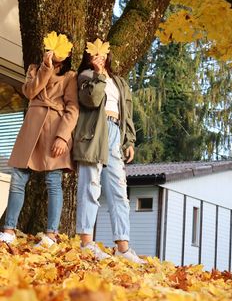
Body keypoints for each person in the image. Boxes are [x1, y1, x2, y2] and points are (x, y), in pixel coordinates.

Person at [0, 39, 79, 247]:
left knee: (53, 182)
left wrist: (63, 136)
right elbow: (29, 92)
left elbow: (72, 108)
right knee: (17, 178)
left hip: (54, 130)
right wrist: (46, 67)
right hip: (31, 128)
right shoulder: (35, 69)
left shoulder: (70, 77)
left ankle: (51, 234)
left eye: (62, 49)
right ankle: (8, 230)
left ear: (69, 54)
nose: (56, 52)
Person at [73, 39, 146, 264]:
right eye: (95, 52)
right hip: (95, 132)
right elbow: (92, 100)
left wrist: (129, 141)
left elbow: (127, 112)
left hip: (115, 132)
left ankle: (123, 247)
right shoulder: (85, 75)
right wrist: (98, 74)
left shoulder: (120, 82)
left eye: (103, 52)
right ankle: (86, 243)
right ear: (88, 55)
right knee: (90, 186)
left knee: (119, 192)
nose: (100, 56)